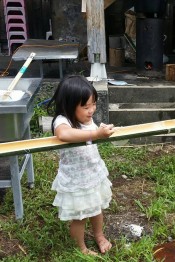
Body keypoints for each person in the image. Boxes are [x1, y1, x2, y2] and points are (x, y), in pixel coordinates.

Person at [47, 75, 115, 255]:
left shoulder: (86, 119)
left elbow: (90, 132)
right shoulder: (63, 121)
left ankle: (99, 236)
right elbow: (64, 135)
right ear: (69, 106)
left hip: (93, 173)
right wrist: (96, 134)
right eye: (85, 107)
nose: (91, 110)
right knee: (80, 217)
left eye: (93, 104)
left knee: (96, 208)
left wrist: (98, 131)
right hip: (76, 180)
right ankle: (82, 248)